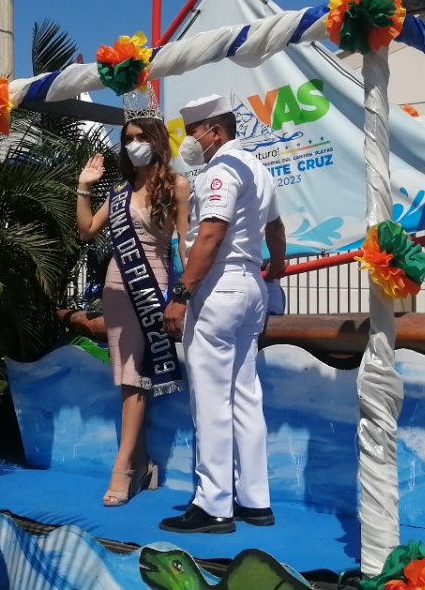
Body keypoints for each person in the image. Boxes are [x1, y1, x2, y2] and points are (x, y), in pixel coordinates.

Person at [160, 94, 287, 534]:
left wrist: (180, 295)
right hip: (251, 285)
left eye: (194, 131)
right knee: (246, 395)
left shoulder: (220, 171)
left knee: (212, 400)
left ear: (215, 132)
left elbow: (211, 235)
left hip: (219, 286)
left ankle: (213, 504)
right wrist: (277, 265)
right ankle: (255, 501)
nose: (189, 140)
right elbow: (275, 227)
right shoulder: (259, 168)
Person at [76, 113, 191, 507]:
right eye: (127, 138)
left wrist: (183, 294)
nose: (133, 144)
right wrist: (83, 188)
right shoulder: (120, 192)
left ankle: (124, 466)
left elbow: (185, 245)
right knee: (128, 377)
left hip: (153, 289)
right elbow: (88, 230)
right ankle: (139, 461)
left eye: (140, 137)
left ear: (157, 141)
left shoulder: (177, 186)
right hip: (115, 289)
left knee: (137, 376)